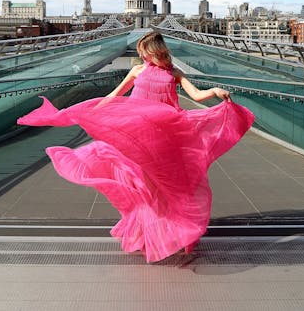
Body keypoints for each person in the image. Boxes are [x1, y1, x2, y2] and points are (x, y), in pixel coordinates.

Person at [17, 31, 255, 262]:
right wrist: (89, 112)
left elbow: (196, 95)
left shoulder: (174, 72)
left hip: (163, 136)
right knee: (143, 186)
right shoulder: (137, 70)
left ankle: (177, 232)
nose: (142, 56)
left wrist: (214, 91)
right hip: (137, 136)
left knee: (167, 186)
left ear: (154, 52)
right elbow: (114, 96)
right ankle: (149, 234)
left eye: (145, 52)